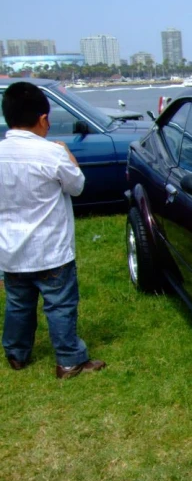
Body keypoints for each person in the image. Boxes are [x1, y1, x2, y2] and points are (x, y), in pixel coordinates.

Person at [0, 82, 105, 379]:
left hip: (10, 249)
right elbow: (77, 186)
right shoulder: (51, 153)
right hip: (50, 250)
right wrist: (69, 156)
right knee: (60, 305)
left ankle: (16, 354)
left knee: (18, 303)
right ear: (43, 118)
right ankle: (69, 360)